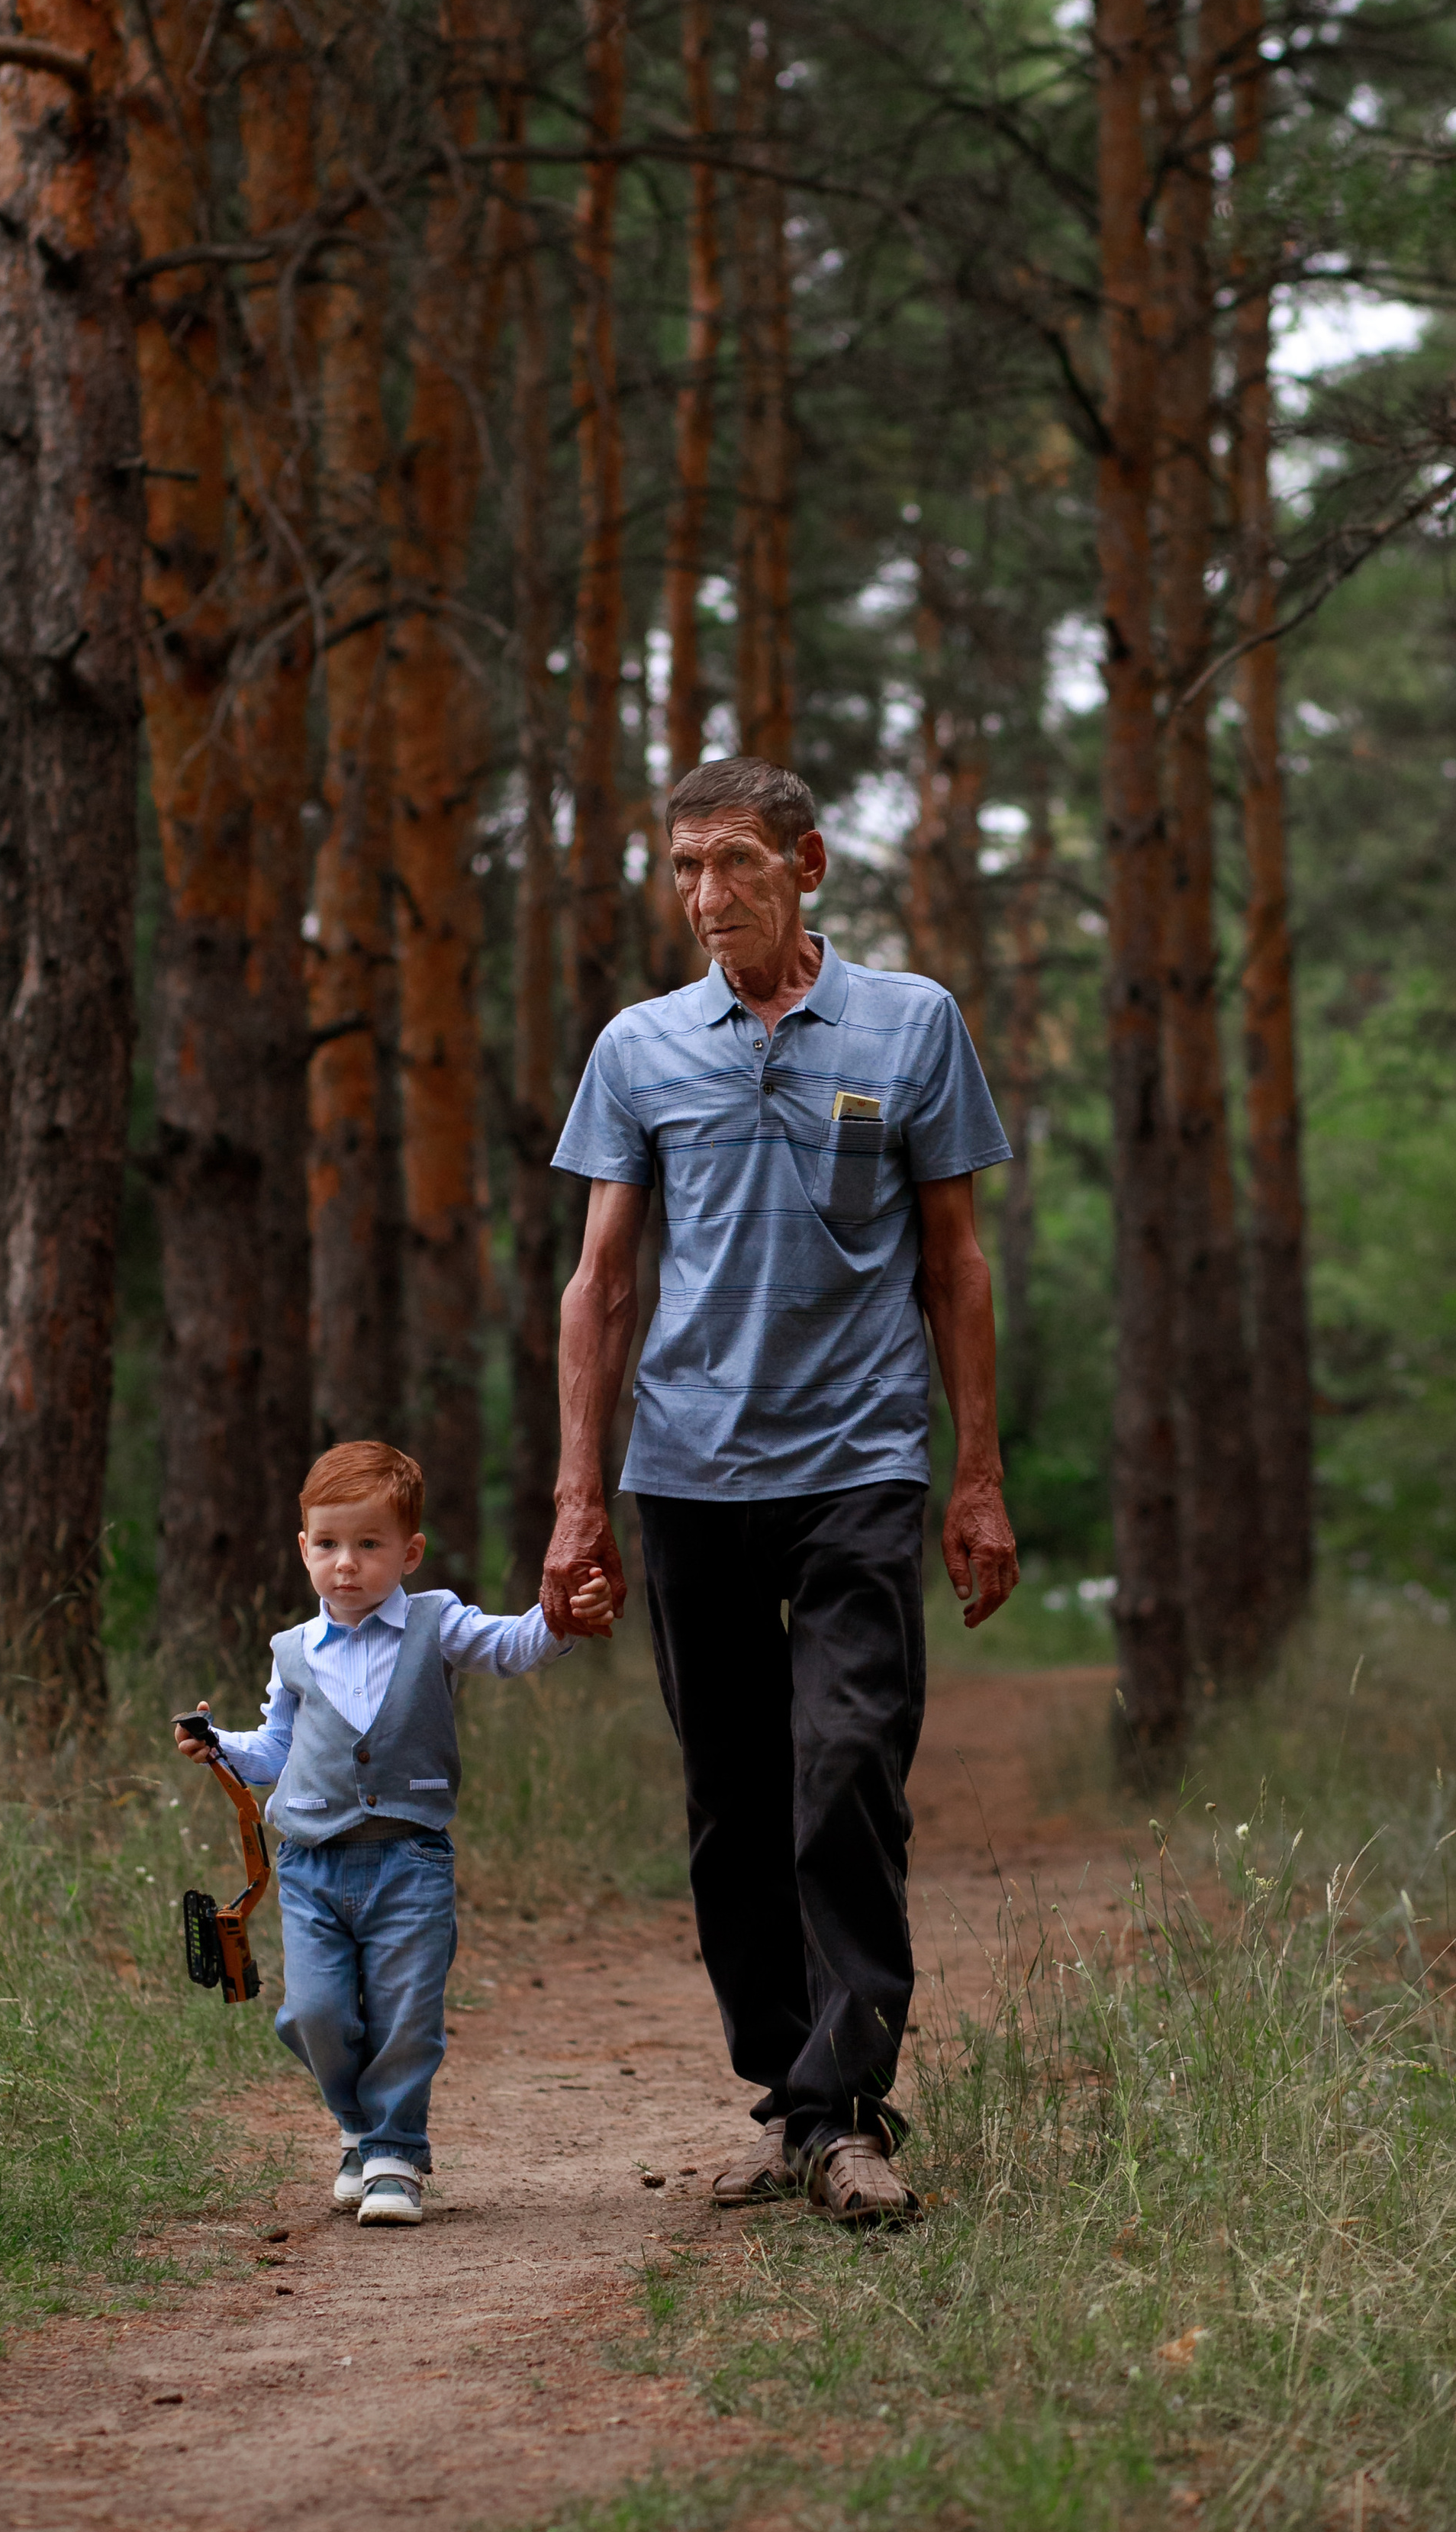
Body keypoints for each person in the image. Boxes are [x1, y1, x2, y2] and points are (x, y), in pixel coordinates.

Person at [542, 755, 1020, 2225]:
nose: (704, 899)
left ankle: (848, 2108)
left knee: (848, 1768)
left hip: (862, 1462)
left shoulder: (911, 1022)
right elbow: (603, 1285)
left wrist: (978, 1477)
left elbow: (955, 1262)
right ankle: (792, 2097)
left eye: (734, 864)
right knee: (732, 1800)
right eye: (685, 868)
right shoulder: (641, 1047)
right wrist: (577, 1501)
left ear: (807, 866)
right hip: (689, 1474)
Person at [176, 1439, 613, 2229]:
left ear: (408, 1553)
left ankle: (394, 2154)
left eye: (369, 1545)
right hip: (311, 1865)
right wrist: (221, 1745)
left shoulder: (436, 1624)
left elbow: (511, 1647)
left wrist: (562, 1618)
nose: (347, 1564)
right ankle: (361, 2126)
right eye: (329, 1544)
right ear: (304, 1548)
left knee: (407, 2013)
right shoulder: (292, 1652)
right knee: (313, 2013)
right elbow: (276, 1751)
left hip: (408, 1860)